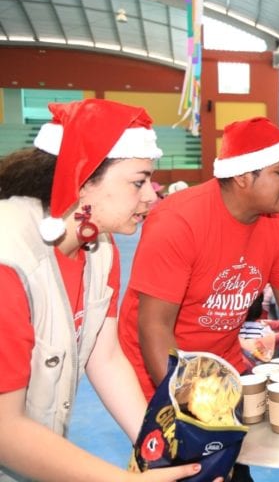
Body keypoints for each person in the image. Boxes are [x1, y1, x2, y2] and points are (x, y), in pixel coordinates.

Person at [0, 99, 202, 481]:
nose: (151, 197)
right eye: (138, 181)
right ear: (83, 178)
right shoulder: (8, 261)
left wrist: (155, 445)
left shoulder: (99, 248)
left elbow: (104, 355)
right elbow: (4, 429)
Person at [118, 117, 279, 401]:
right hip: (158, 365)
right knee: (178, 444)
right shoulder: (177, 222)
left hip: (222, 361)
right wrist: (191, 406)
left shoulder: (276, 225)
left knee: (233, 443)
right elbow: (155, 327)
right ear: (243, 177)